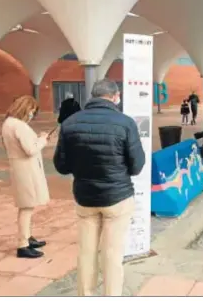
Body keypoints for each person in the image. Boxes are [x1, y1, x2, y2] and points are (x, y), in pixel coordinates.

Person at [53, 79, 145, 296]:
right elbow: (137, 165)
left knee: (86, 253)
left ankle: (86, 295)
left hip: (85, 198)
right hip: (118, 197)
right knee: (112, 254)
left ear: (92, 96)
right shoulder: (125, 123)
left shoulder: (70, 123)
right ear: (115, 96)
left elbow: (61, 166)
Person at [1, 95, 50, 259]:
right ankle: (23, 244)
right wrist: (42, 139)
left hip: (19, 167)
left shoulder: (8, 123)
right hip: (26, 169)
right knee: (27, 206)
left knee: (26, 204)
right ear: (25, 109)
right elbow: (30, 149)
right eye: (32, 111)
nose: (32, 115)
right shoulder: (19, 126)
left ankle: (28, 236)